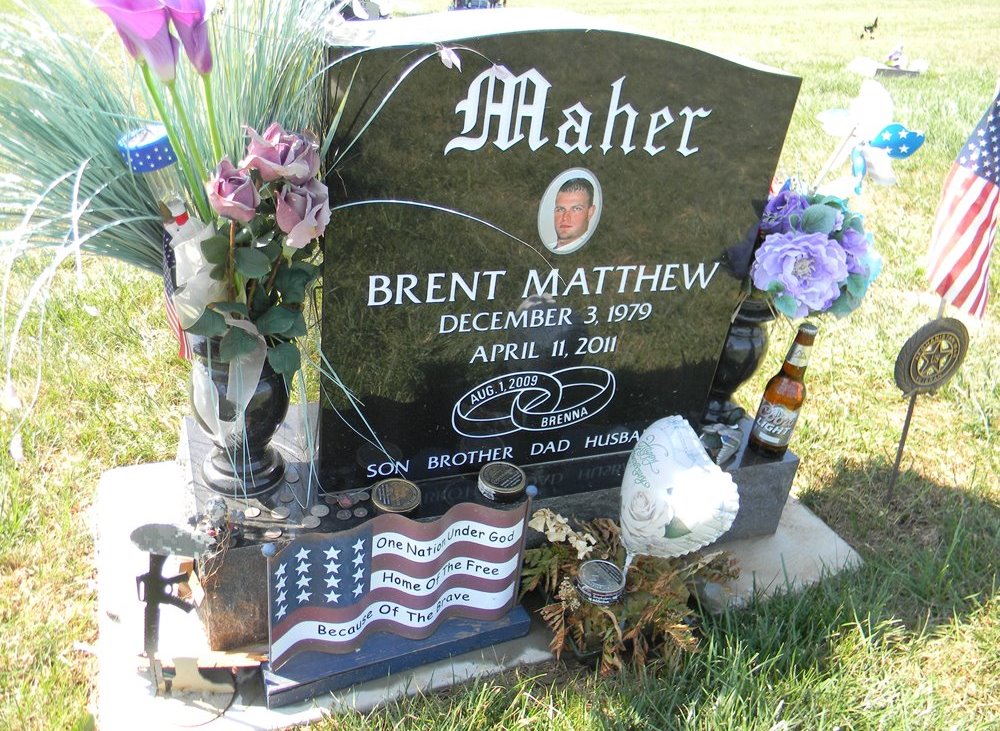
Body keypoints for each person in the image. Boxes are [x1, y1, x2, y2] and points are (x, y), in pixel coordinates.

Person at [546, 178, 597, 254]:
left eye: (576, 209)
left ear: (590, 212)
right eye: (561, 209)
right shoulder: (542, 252)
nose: (565, 217)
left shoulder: (595, 253)